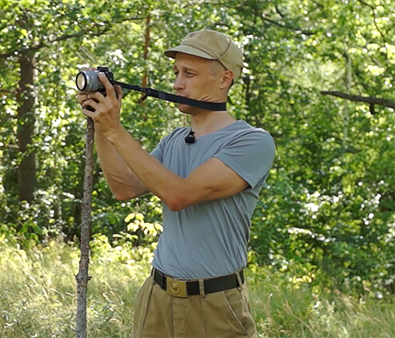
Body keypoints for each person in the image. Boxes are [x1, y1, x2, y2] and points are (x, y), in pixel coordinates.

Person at [76, 29, 275, 338]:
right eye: (176, 72)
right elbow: (124, 188)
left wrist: (116, 131)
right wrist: (102, 123)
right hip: (157, 297)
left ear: (225, 79)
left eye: (189, 74)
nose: (177, 83)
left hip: (216, 306)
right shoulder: (174, 140)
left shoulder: (251, 142)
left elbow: (178, 195)